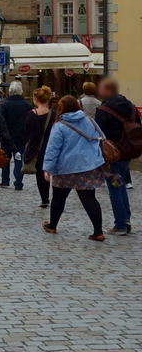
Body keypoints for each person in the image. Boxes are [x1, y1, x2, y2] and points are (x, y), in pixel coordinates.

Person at [41, 94, 107, 240]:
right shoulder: (90, 121)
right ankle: (98, 231)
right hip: (88, 166)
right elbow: (101, 138)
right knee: (89, 198)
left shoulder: (59, 126)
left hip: (66, 168)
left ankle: (52, 225)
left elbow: (53, 149)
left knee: (59, 197)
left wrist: (48, 168)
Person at [95, 77, 142, 235]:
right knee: (120, 183)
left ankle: (120, 224)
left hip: (112, 154)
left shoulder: (103, 110)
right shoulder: (131, 107)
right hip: (129, 151)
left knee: (114, 187)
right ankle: (126, 219)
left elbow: (99, 135)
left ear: (107, 90)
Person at [24, 86, 56, 209]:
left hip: (36, 147)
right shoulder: (53, 114)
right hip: (50, 146)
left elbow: (26, 130)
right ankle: (49, 196)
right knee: (48, 171)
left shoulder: (32, 114)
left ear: (36, 99)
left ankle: (45, 198)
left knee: (40, 174)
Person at [0, 81, 32, 191]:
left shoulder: (4, 104)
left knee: (5, 159)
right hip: (21, 137)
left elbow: (0, 121)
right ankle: (18, 182)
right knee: (19, 160)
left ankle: (5, 180)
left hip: (7, 137)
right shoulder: (27, 105)